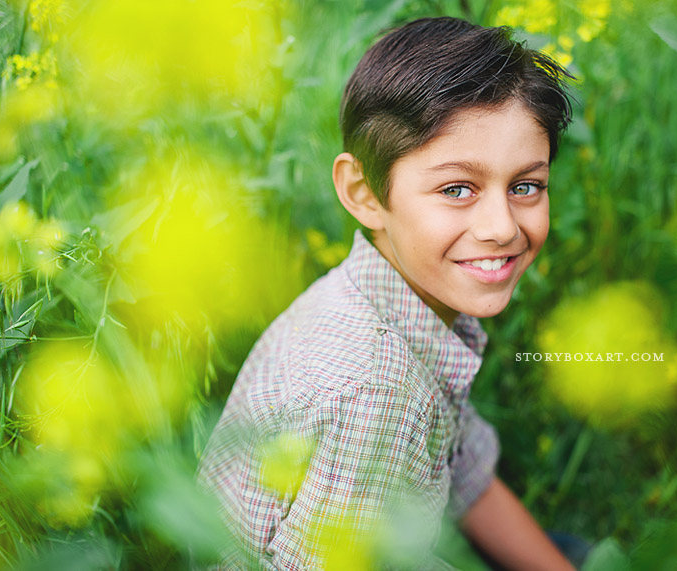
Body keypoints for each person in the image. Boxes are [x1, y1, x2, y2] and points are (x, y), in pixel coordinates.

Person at [198, 16, 577, 570]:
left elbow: (467, 479)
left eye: (525, 186)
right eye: (456, 189)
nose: (501, 226)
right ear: (364, 192)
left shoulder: (401, 302)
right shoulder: (376, 392)